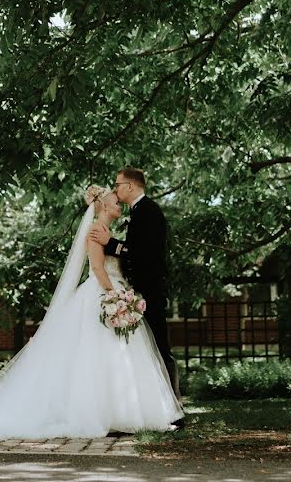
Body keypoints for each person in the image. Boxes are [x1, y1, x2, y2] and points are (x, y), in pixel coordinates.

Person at [0, 185, 183, 440]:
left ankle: (126, 412)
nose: (119, 205)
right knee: (97, 356)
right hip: (103, 293)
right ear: (103, 206)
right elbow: (98, 269)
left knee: (120, 355)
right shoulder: (96, 231)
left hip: (114, 292)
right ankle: (103, 414)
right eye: (114, 201)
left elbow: (126, 257)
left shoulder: (112, 234)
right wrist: (115, 295)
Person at [89, 168, 181, 409]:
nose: (116, 190)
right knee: (148, 349)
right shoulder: (138, 212)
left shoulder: (148, 212)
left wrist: (111, 244)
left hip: (150, 290)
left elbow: (144, 254)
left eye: (118, 184)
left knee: (160, 347)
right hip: (138, 291)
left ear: (130, 186)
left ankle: (174, 407)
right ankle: (157, 406)